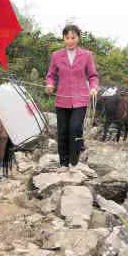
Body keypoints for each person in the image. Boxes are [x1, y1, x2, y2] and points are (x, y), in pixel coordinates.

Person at [46, 24, 99, 172]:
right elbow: (51, 75)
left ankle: (73, 162)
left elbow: (93, 76)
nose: (70, 41)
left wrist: (94, 88)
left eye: (73, 37)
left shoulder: (87, 55)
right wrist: (50, 85)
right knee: (62, 131)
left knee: (75, 128)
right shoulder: (56, 55)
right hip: (62, 100)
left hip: (80, 100)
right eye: (67, 37)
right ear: (63, 38)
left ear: (78, 38)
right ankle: (63, 163)